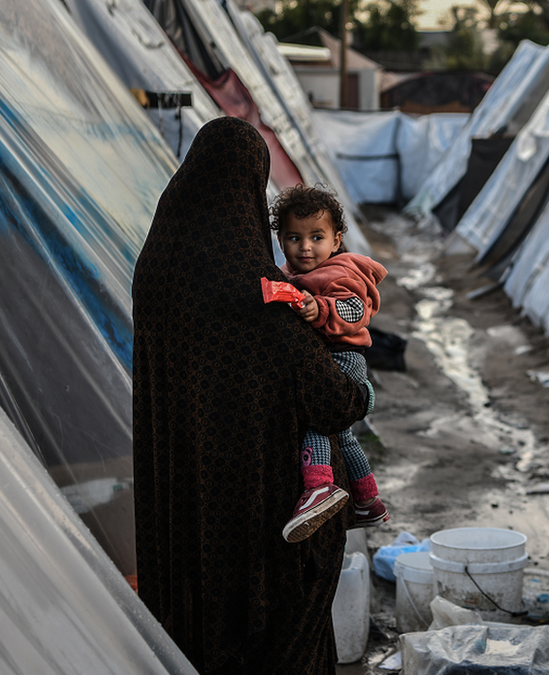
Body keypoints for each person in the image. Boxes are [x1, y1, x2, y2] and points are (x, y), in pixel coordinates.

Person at [132, 117, 371, 673]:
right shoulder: (256, 290)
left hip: (181, 509)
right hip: (261, 524)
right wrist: (360, 389)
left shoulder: (156, 273)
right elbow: (333, 400)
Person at [271, 184, 391, 542]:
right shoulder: (287, 274)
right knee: (342, 432)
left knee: (315, 415)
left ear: (336, 240)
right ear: (280, 240)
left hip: (343, 357)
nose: (305, 247)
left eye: (316, 237)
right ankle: (368, 500)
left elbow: (355, 311)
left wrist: (319, 308)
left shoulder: (340, 272)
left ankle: (319, 486)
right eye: (294, 237)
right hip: (330, 359)